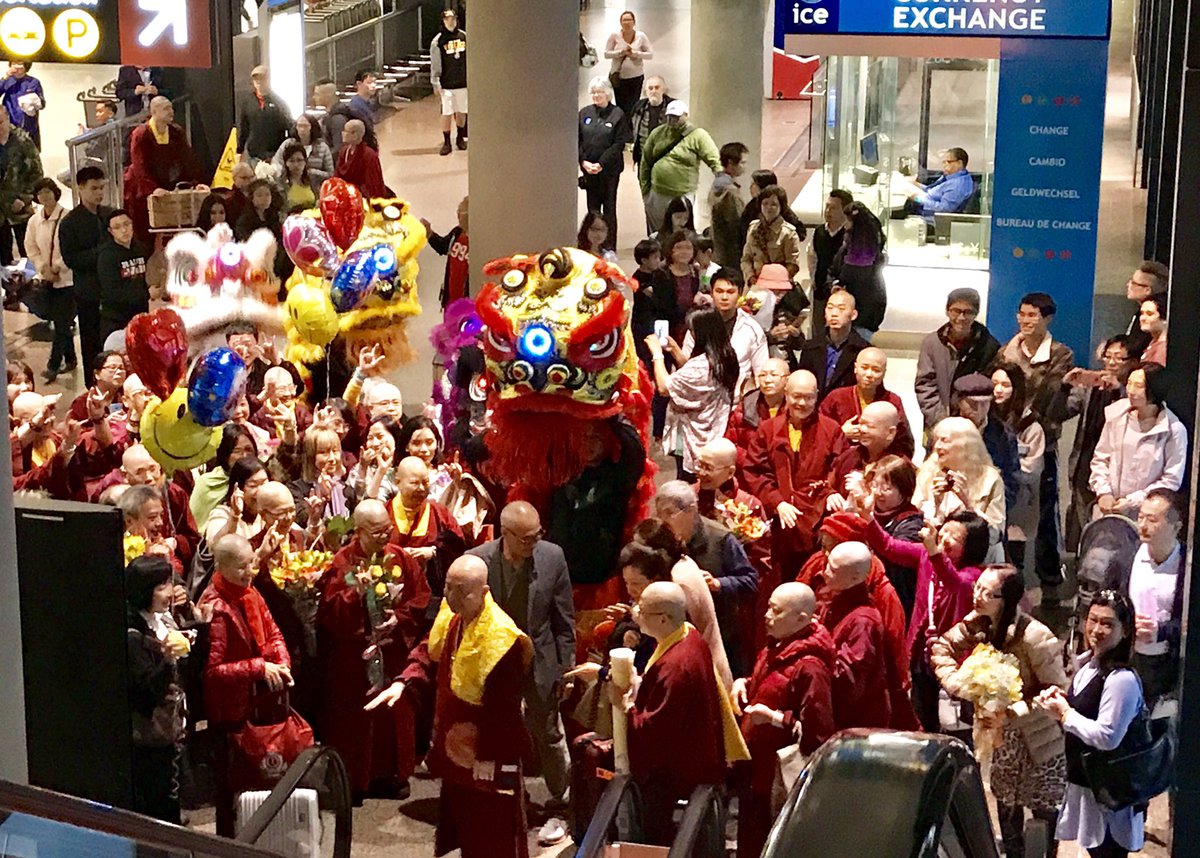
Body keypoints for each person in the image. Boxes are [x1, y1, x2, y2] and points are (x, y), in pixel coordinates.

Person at [371, 555, 533, 858]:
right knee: (463, 822)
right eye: (448, 588)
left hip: (490, 752)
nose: (452, 597)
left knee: (495, 831)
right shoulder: (453, 619)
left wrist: (487, 757)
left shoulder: (502, 639)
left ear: (484, 592)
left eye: (463, 591)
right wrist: (402, 683)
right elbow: (426, 653)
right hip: (455, 750)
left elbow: (506, 711)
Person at [931, 565, 1067, 858]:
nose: (977, 596)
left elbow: (1056, 692)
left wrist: (1011, 712)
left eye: (987, 592)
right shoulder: (977, 622)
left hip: (1038, 741)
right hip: (1001, 740)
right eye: (977, 588)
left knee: (1044, 819)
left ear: (1007, 599)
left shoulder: (1035, 636)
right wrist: (963, 686)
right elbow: (942, 648)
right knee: (1006, 811)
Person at [468, 502, 575, 846]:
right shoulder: (477, 561)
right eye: (526, 538)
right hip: (496, 663)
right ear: (506, 534)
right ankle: (510, 800)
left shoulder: (552, 557)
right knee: (499, 735)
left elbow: (564, 620)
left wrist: (566, 669)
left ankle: (562, 804)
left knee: (549, 733)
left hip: (540, 660)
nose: (534, 543)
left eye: (537, 535)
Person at [615, 580, 747, 845]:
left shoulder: (675, 667)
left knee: (666, 837)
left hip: (677, 774)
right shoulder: (689, 634)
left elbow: (655, 731)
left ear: (663, 619)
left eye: (643, 610)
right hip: (701, 751)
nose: (636, 614)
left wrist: (626, 705)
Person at [316, 500, 429, 802]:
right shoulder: (342, 562)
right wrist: (356, 593)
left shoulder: (400, 557)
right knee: (356, 721)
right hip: (354, 658)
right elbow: (330, 612)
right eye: (377, 532)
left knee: (394, 717)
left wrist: (399, 618)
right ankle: (356, 781)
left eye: (387, 530)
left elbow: (420, 597)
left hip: (392, 652)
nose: (384, 537)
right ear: (359, 531)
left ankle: (393, 776)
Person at [199, 533, 294, 837]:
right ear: (221, 566)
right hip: (230, 711)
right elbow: (213, 672)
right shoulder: (215, 608)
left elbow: (274, 632)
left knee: (261, 779)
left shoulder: (250, 593)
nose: (249, 572)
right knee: (232, 788)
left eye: (251, 564)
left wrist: (281, 664)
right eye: (241, 566)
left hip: (258, 701)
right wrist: (259, 668)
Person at [731, 582, 834, 858]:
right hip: (754, 773)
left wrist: (775, 718)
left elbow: (819, 735)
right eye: (768, 607)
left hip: (774, 782)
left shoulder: (811, 667)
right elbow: (773, 684)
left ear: (801, 619)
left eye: (776, 611)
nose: (767, 616)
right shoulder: (776, 646)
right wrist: (745, 683)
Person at [1041, 591, 1146, 858]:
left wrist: (1066, 714)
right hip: (1087, 786)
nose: (1097, 629)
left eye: (1108, 623)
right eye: (1093, 619)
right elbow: (1081, 715)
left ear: (1125, 631)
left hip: (1109, 794)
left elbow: (1108, 736)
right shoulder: (1089, 664)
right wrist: (1059, 704)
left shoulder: (1121, 679)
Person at [1002, 292, 1075, 592]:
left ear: (1047, 318)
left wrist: (1031, 417)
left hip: (1043, 441)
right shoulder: (1006, 351)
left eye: (1032, 315)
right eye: (1022, 314)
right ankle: (1010, 570)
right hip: (1008, 440)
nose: (1025, 320)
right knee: (1009, 507)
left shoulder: (1061, 354)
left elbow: (1052, 395)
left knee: (1045, 510)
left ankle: (1050, 577)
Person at [744, 369, 844, 572]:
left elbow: (840, 468)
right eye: (796, 396)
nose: (802, 403)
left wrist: (831, 492)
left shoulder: (831, 429)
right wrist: (777, 502)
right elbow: (755, 471)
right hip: (780, 522)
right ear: (786, 394)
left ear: (817, 396)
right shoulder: (768, 429)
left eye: (809, 397)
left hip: (818, 519)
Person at [655, 480, 757, 677]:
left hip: (720, 635)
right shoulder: (661, 539)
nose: (663, 520)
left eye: (669, 513)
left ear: (691, 510)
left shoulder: (720, 538)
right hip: (673, 637)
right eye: (659, 513)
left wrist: (718, 584)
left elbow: (750, 581)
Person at [125, 555, 194, 824]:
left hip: (171, 732)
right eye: (161, 586)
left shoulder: (162, 621)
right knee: (158, 809)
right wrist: (167, 660)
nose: (169, 592)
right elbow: (145, 692)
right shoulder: (133, 635)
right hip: (150, 740)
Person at [645, 306, 739, 480]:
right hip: (714, 428)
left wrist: (657, 355)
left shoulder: (702, 366)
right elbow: (691, 377)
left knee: (691, 483)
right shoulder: (725, 356)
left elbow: (665, 388)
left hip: (695, 436)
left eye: (693, 331)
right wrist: (675, 350)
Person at [1064, 336, 1137, 551]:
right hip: (1084, 468)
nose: (1111, 362)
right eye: (1108, 356)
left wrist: (1119, 391)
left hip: (1118, 479)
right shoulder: (1092, 387)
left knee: (1111, 540)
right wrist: (1065, 385)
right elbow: (1060, 412)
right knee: (1085, 535)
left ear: (1133, 362)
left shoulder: (1136, 394)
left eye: (1119, 358)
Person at [1089, 363, 1187, 519]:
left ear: (1155, 389)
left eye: (1139, 386)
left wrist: (1132, 501)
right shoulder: (1116, 417)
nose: (1131, 391)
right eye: (1129, 383)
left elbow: (1171, 480)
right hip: (1108, 510)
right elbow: (1101, 458)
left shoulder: (1173, 430)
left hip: (1145, 515)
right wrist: (1104, 492)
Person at [1122, 489, 1184, 712]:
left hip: (1169, 663)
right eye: (1140, 517)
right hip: (1129, 657)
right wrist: (1127, 624)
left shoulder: (1185, 566)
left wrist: (1161, 630)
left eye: (1152, 520)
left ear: (1176, 527)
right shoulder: (1127, 556)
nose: (1143, 525)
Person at [819, 542, 892, 729]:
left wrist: (814, 645)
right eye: (827, 564)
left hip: (857, 724)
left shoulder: (863, 621)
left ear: (855, 577)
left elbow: (848, 681)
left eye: (833, 570)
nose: (824, 572)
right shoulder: (835, 602)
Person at [914, 287, 1002, 436]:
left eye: (968, 312)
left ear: (976, 313)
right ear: (947, 311)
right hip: (937, 424)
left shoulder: (989, 346)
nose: (961, 318)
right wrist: (940, 420)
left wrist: (974, 421)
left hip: (974, 427)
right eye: (956, 311)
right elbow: (925, 384)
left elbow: (988, 391)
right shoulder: (931, 343)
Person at [914, 417, 1006, 557]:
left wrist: (969, 505)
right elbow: (916, 523)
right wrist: (936, 506)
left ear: (964, 444)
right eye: (936, 440)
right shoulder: (927, 474)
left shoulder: (990, 478)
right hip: (938, 556)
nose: (937, 446)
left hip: (980, 559)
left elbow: (995, 535)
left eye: (944, 440)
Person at [389, 456, 466, 609]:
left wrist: (433, 553)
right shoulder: (384, 513)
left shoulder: (439, 513)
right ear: (397, 482)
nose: (421, 488)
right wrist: (399, 556)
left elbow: (458, 547)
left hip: (432, 594)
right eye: (414, 483)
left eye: (425, 482)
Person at [122, 97, 206, 238]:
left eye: (171, 108)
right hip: (141, 186)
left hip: (167, 183)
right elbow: (139, 165)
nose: (171, 112)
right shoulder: (141, 133)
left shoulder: (176, 132)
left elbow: (187, 160)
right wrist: (152, 189)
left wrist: (195, 183)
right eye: (166, 108)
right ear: (154, 111)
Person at [676, 268, 767, 395]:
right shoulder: (699, 325)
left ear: (740, 294)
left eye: (730, 292)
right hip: (701, 398)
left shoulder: (752, 329)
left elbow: (761, 372)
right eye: (719, 291)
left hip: (737, 400)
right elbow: (685, 365)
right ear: (711, 293)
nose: (724, 297)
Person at [59, 166, 112, 386]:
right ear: (80, 188)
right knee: (91, 344)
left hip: (112, 292)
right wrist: (102, 253)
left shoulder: (110, 215)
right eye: (94, 188)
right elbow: (71, 259)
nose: (99, 193)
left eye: (101, 188)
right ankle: (93, 387)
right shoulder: (70, 223)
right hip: (88, 292)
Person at [638, 101, 720, 235]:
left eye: (676, 117)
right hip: (658, 192)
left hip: (683, 193)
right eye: (669, 116)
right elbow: (646, 161)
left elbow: (714, 159)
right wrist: (645, 190)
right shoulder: (658, 133)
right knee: (659, 232)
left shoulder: (698, 135)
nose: (672, 120)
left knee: (680, 231)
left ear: (686, 115)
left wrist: (720, 177)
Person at [820, 346, 915, 459]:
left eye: (876, 370)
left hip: (881, 464)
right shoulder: (836, 397)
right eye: (864, 368)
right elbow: (818, 436)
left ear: (884, 373)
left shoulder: (892, 401)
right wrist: (841, 433)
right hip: (842, 463)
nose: (869, 374)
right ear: (855, 368)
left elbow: (905, 445)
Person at [24, 178, 72, 382]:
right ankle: (71, 358)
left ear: (55, 193)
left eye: (47, 191)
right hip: (47, 279)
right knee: (61, 321)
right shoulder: (34, 221)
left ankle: (53, 365)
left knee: (61, 323)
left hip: (67, 279)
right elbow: (30, 247)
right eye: (40, 193)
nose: (44, 196)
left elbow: (70, 248)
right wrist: (43, 268)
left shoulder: (67, 217)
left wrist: (57, 267)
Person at [791, 288, 870, 401]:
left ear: (853, 315)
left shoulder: (863, 350)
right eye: (830, 308)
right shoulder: (811, 347)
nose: (834, 313)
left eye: (841, 309)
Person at [578, 76, 630, 240]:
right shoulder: (584, 113)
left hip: (609, 172)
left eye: (599, 92)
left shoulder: (617, 114)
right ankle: (591, 244)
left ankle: (609, 245)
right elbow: (578, 140)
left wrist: (601, 164)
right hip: (589, 171)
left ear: (607, 93)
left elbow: (619, 143)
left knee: (609, 210)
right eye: (593, 92)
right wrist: (583, 161)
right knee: (592, 210)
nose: (596, 95)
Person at [826, 401, 907, 498]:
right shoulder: (848, 457)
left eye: (870, 426)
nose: (863, 429)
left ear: (890, 433)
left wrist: (863, 493)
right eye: (861, 423)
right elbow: (828, 485)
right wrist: (830, 495)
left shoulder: (900, 468)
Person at [829, 202, 887, 336]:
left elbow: (843, 273)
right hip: (860, 314)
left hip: (859, 315)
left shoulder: (858, 256)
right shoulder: (869, 252)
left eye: (848, 221)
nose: (845, 225)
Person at [725, 356, 789, 475]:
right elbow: (730, 445)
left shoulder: (794, 409)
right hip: (749, 472)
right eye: (762, 375)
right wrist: (753, 462)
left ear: (787, 379)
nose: (767, 380)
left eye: (774, 375)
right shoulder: (746, 407)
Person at [190, 424, 259, 531]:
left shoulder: (262, 477)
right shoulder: (208, 483)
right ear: (225, 455)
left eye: (248, 449)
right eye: (237, 451)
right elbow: (193, 525)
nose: (244, 456)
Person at [97, 210, 150, 342]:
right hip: (116, 320)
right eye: (117, 227)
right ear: (110, 231)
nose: (124, 230)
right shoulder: (107, 256)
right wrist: (147, 294)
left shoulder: (141, 249)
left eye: (126, 224)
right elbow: (113, 291)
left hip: (141, 315)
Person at [0, 107, 41, 266]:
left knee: (29, 255)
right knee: (4, 261)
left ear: (7, 119)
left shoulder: (22, 141)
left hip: (21, 209)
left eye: (0, 122)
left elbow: (37, 174)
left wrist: (24, 199)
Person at [741, 185, 804, 289]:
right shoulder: (753, 228)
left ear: (781, 207)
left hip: (778, 287)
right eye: (765, 203)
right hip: (754, 285)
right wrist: (750, 276)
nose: (768, 208)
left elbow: (792, 265)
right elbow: (746, 258)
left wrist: (775, 282)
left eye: (774, 204)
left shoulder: (788, 233)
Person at [807, 190, 852, 324]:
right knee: (818, 328)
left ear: (845, 210)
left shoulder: (850, 234)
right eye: (827, 206)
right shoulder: (819, 232)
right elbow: (812, 258)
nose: (828, 211)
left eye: (833, 208)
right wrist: (814, 281)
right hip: (820, 291)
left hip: (842, 293)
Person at [203, 456, 269, 546]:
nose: (260, 490)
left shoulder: (271, 511)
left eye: (264, 483)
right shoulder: (222, 514)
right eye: (253, 485)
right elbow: (216, 546)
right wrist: (234, 516)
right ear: (238, 488)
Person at [430, 8, 469, 155]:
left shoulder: (464, 37)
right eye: (447, 19)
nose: (451, 21)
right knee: (446, 112)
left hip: (462, 82)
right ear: (443, 21)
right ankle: (447, 141)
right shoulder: (438, 41)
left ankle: (460, 137)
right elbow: (435, 64)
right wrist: (436, 82)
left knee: (461, 111)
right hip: (446, 83)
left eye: (453, 18)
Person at [237, 66, 292, 164]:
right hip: (253, 154)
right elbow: (243, 127)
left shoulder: (279, 102)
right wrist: (240, 150)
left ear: (268, 79)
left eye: (262, 78)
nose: (258, 81)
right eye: (256, 79)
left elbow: (289, 125)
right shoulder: (247, 102)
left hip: (274, 154)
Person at [903, 147, 975, 223]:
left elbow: (943, 210)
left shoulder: (958, 186)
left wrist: (918, 199)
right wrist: (916, 184)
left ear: (959, 163)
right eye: (943, 162)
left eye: (948, 162)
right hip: (924, 204)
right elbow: (932, 191)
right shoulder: (953, 176)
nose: (944, 165)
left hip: (929, 218)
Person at [421, 196, 469, 308]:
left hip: (467, 304)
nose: (458, 216)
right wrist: (430, 233)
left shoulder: (479, 242)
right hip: (451, 300)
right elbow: (443, 247)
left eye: (461, 213)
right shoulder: (457, 233)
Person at [605, 10, 654, 116]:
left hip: (636, 77)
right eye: (624, 20)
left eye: (629, 20)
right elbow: (606, 54)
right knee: (621, 105)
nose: (627, 23)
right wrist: (621, 52)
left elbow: (650, 54)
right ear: (620, 22)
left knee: (633, 105)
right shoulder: (614, 36)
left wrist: (636, 54)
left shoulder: (641, 36)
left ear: (634, 22)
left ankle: (632, 124)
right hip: (619, 77)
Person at [313, 77, 379, 152]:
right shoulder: (335, 114)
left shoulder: (337, 119)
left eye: (317, 94)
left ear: (328, 94)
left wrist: (324, 157)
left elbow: (340, 149)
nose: (314, 97)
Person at [710, 141, 749, 268]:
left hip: (722, 248)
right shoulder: (728, 190)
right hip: (730, 250)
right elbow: (735, 222)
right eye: (742, 162)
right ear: (731, 163)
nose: (745, 167)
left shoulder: (720, 184)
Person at [1120, 260, 1168, 357]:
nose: (1128, 285)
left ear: (1147, 290)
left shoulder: (1157, 309)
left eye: (1133, 283)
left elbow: (1135, 348)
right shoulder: (1141, 309)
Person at [271, 114, 334, 187]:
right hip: (289, 186)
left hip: (315, 187)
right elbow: (276, 163)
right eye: (299, 126)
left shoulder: (322, 147)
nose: (302, 129)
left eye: (305, 126)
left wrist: (311, 172)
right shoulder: (287, 144)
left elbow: (330, 174)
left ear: (312, 127)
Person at [335, 119, 390, 198]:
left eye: (346, 131)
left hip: (361, 197)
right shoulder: (344, 152)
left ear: (355, 135)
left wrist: (353, 192)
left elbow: (372, 184)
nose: (342, 133)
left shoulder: (369, 155)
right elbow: (337, 176)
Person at [629, 74, 674, 170]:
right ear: (646, 91)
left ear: (663, 89)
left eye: (657, 88)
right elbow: (632, 128)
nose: (653, 91)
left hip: (666, 159)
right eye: (650, 88)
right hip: (643, 158)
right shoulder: (639, 107)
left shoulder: (673, 107)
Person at [0, 62, 44, 149]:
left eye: (20, 64)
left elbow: (42, 103)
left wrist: (34, 102)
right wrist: (5, 76)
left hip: (28, 126)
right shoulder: (7, 80)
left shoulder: (33, 82)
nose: (16, 67)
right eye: (14, 63)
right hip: (9, 125)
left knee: (29, 152)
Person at [275, 143, 319, 212]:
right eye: (291, 161)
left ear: (305, 162)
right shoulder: (280, 183)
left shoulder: (312, 180)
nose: (296, 164)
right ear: (286, 163)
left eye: (299, 160)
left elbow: (318, 200)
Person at [1137, 294, 1167, 366]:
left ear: (1164, 318)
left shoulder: (1163, 348)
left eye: (1149, 314)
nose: (1143, 318)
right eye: (1142, 313)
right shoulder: (1152, 343)